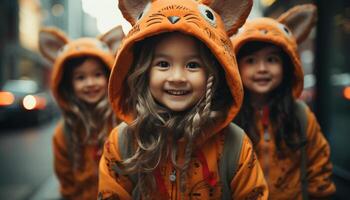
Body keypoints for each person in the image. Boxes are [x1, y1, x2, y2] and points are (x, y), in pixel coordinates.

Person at [98, 0, 269, 199]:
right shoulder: (122, 142)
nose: (177, 77)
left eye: (193, 65)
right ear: (144, 71)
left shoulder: (235, 144)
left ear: (213, 73)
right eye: (163, 64)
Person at [231, 4, 336, 200]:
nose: (262, 68)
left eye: (271, 60)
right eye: (251, 61)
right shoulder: (227, 118)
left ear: (287, 65)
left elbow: (318, 167)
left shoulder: (300, 115)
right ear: (236, 66)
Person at [39, 26, 124, 199]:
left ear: (109, 76)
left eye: (97, 74)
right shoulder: (64, 134)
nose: (90, 83)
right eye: (81, 77)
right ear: (68, 85)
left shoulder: (122, 120)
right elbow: (67, 182)